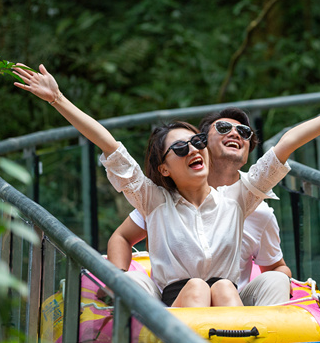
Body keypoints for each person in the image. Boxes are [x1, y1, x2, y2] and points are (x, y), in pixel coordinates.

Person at [13, 63, 320, 308]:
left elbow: (286, 144)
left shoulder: (240, 199)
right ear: (164, 168)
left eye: (196, 143)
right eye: (180, 148)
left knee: (224, 288)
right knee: (197, 287)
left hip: (229, 303)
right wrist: (59, 99)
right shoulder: (153, 200)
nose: (194, 149)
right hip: (180, 302)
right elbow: (110, 146)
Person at [107, 107, 293, 306]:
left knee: (231, 287)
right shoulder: (162, 202)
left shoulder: (254, 207)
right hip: (175, 301)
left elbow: (276, 267)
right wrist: (115, 279)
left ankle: (257, 333)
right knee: (194, 287)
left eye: (244, 132)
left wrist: (284, 282)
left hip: (231, 300)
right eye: (223, 128)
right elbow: (122, 236)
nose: (235, 133)